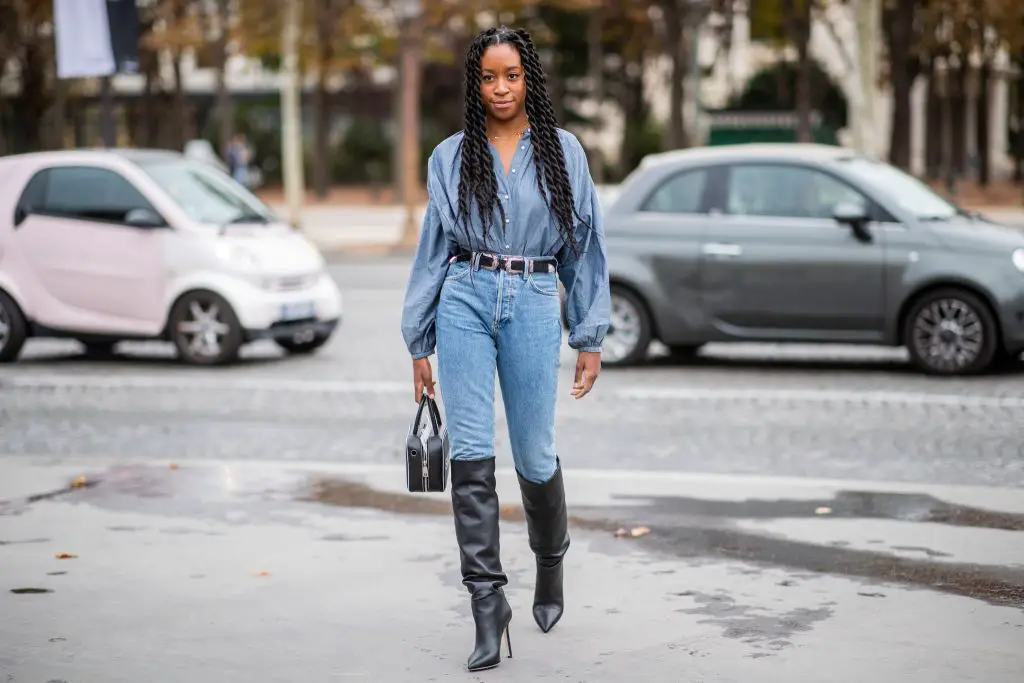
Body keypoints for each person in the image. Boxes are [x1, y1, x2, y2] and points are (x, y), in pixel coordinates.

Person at [400, 26, 610, 672]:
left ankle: (550, 561)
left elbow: (582, 243)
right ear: (474, 83)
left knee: (534, 452)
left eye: (511, 76)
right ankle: (488, 606)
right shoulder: (448, 156)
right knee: (470, 453)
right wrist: (419, 341)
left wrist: (588, 333)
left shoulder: (564, 153)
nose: (499, 88)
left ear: (529, 80)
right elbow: (434, 249)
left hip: (532, 298)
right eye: (488, 77)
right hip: (465, 294)